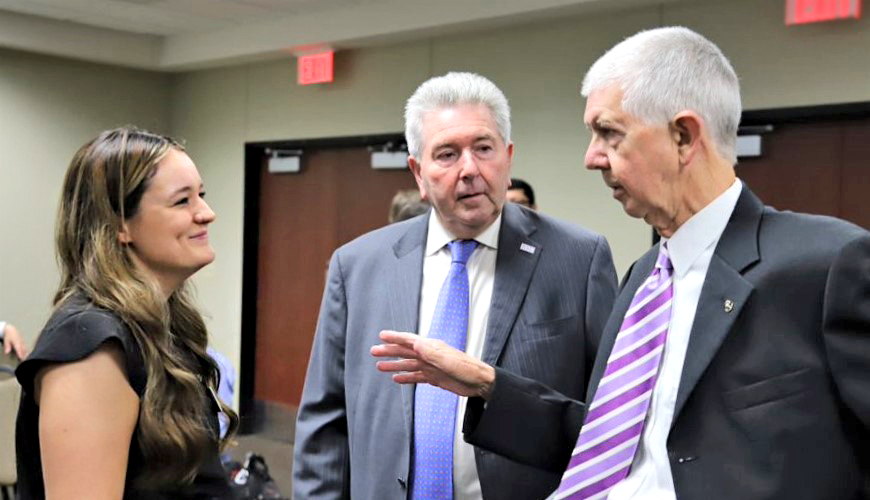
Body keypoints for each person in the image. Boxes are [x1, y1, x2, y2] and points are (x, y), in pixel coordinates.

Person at [374, 27, 870, 500]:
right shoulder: (644, 279)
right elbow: (603, 445)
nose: (591, 157)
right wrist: (486, 384)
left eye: (609, 134)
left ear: (683, 136)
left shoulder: (826, 267)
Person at [294, 71, 617, 500]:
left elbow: (610, 420)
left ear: (508, 156)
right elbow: (325, 424)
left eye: (484, 148)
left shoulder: (579, 258)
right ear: (418, 173)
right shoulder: (357, 266)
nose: (469, 169)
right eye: (447, 154)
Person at [15, 127, 239, 499]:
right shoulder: (90, 344)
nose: (207, 213)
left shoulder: (156, 325)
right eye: (182, 201)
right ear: (120, 225)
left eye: (201, 195)